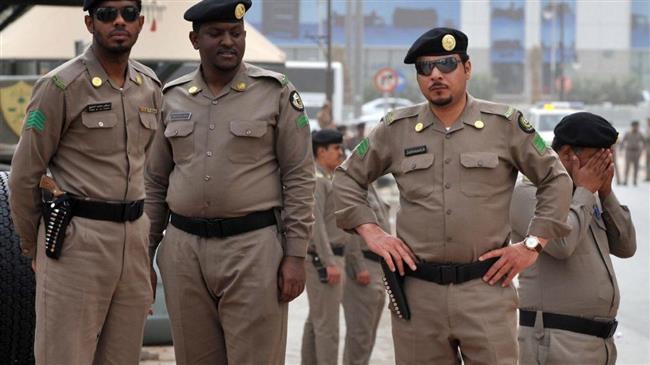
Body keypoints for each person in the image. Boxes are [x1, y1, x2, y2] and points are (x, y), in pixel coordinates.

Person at [333, 27, 572, 364]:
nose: (436, 75)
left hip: (486, 289)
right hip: (418, 295)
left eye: (446, 65)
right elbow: (345, 178)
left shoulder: (504, 124)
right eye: (425, 68)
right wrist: (372, 232)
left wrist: (532, 245)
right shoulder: (395, 128)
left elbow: (556, 179)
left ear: (467, 68)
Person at [144, 1, 315, 364]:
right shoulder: (171, 96)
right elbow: (154, 181)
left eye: (236, 34)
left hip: (253, 251)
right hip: (183, 252)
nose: (228, 42)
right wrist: (144, 254)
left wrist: (296, 255)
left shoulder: (275, 93)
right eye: (216, 34)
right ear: (195, 39)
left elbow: (299, 178)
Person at [9, 1, 161, 363]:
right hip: (77, 243)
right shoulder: (61, 86)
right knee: (64, 356)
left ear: (141, 22)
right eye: (107, 14)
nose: (118, 21)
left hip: (133, 245)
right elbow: (24, 176)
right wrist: (37, 248)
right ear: (90, 22)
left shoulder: (150, 87)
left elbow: (148, 171)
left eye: (128, 13)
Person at [512, 112, 636, 365]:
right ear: (567, 154)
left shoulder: (587, 194)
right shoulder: (529, 193)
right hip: (553, 340)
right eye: (596, 161)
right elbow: (560, 244)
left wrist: (606, 193)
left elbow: (626, 246)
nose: (602, 168)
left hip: (598, 344)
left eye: (607, 160)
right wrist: (586, 192)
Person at [301, 129, 349, 365]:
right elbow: (315, 224)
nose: (341, 153)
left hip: (327, 257)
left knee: (317, 322)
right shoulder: (317, 181)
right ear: (321, 151)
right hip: (324, 260)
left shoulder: (326, 178)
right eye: (336, 149)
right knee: (328, 327)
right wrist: (329, 262)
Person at [341, 182, 390, 365]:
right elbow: (349, 226)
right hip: (364, 265)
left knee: (368, 334)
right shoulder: (352, 186)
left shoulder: (371, 184)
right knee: (359, 336)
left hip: (378, 266)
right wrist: (358, 265)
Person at [620, 120, 645, 186]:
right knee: (627, 166)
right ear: (632, 126)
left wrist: (642, 150)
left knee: (636, 167)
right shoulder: (627, 133)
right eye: (635, 126)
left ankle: (635, 180)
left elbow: (644, 142)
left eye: (637, 126)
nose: (636, 127)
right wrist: (621, 149)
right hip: (629, 151)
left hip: (636, 152)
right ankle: (625, 180)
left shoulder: (640, 134)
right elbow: (623, 141)